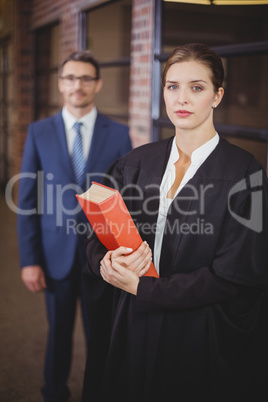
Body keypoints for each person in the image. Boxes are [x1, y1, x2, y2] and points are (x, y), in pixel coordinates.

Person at [81, 43, 268, 402]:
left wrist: (145, 289)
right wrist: (105, 263)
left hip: (197, 333)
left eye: (196, 87)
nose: (181, 98)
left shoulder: (245, 174)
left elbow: (236, 276)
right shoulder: (135, 163)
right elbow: (94, 237)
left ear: (217, 95)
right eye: (172, 86)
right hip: (134, 323)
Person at [17, 50, 132, 402]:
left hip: (102, 257)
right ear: (60, 83)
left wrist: (124, 254)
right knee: (58, 333)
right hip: (54, 257)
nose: (77, 85)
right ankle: (54, 393)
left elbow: (124, 198)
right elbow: (27, 201)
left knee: (101, 337)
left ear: (97, 84)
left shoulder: (119, 133)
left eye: (85, 78)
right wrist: (29, 260)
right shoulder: (38, 132)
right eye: (70, 78)